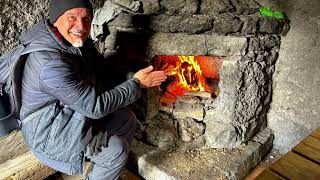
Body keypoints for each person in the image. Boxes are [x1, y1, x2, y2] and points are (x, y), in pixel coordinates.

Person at [18, 0, 166, 179]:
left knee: (126, 119)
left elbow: (104, 72)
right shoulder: (49, 63)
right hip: (49, 136)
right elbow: (95, 107)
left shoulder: (77, 44)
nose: (80, 26)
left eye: (86, 18)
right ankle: (106, 168)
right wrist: (136, 84)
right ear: (55, 20)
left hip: (70, 116)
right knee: (115, 151)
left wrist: (133, 76)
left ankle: (104, 173)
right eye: (71, 18)